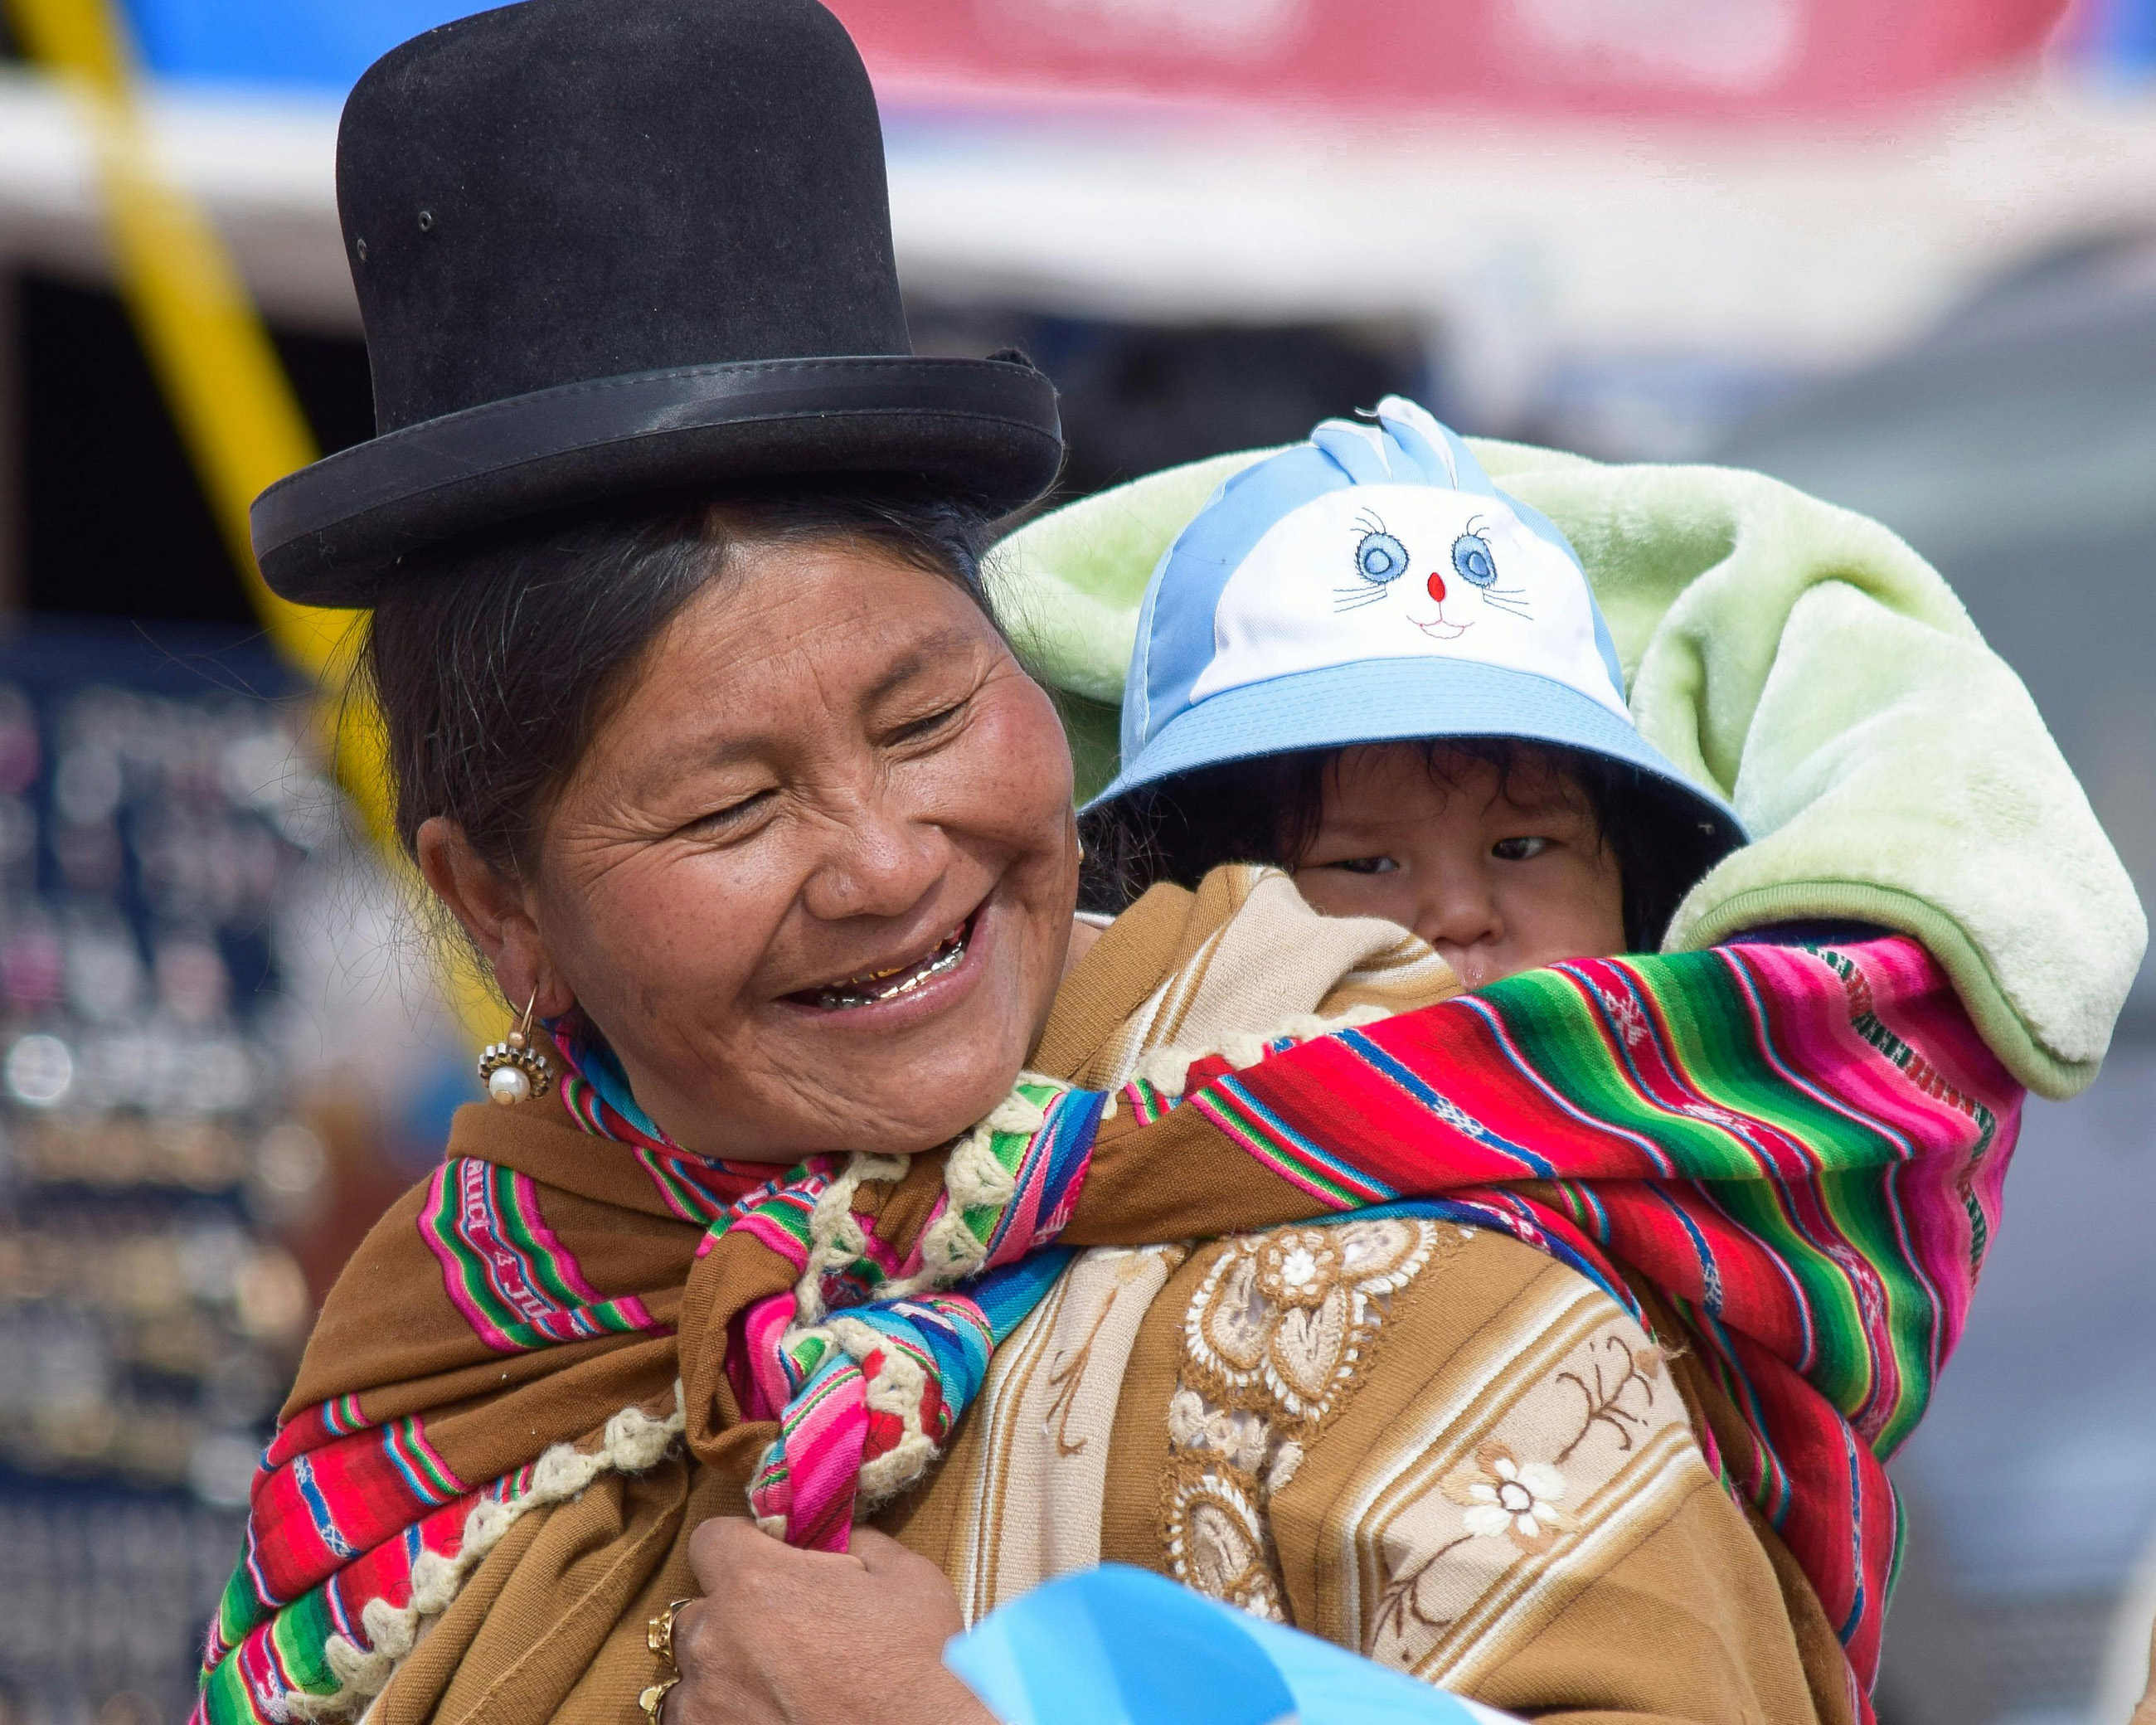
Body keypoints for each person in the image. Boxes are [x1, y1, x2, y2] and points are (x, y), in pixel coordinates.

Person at [193, 6, 2143, 1725]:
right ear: (496, 902)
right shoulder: (448, 1358)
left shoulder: (1394, 1214)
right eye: (724, 810)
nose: (886, 863)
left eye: (929, 715)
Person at [1071, 396, 1742, 984]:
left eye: (1521, 848)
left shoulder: (1727, 1099)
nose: (1462, 916)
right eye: (1366, 863)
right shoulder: (1140, 1120)